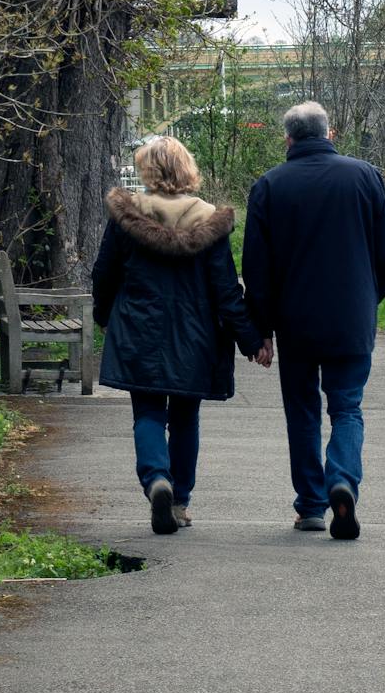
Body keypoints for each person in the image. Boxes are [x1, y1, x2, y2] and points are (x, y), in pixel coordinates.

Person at [91, 135, 269, 536]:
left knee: (148, 412)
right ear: (188, 169)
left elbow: (104, 274)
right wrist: (251, 339)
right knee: (186, 418)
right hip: (196, 335)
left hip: (139, 328)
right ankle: (180, 501)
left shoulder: (127, 217)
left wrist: (105, 317)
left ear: (147, 172)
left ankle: (157, 478)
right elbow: (226, 290)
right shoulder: (209, 221)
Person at [240, 101, 385, 541]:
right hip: (351, 319)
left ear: (288, 139)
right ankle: (342, 480)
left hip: (296, 325)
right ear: (330, 134)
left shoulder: (270, 185)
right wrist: (368, 299)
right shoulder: (365, 176)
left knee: (303, 412)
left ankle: (311, 506)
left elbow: (256, 268)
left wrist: (263, 329)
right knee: (347, 407)